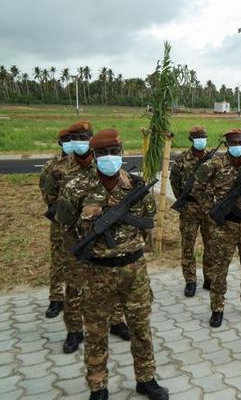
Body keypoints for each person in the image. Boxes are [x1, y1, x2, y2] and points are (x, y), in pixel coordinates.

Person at [56, 129, 168, 400]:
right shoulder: (75, 187)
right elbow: (66, 229)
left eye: (114, 153)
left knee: (140, 328)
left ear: (122, 153)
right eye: (104, 154)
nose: (110, 158)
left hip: (133, 271)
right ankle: (98, 386)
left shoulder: (136, 186)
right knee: (95, 333)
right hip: (96, 272)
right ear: (94, 156)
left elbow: (146, 226)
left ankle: (146, 379)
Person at [44, 122, 130, 354]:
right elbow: (50, 198)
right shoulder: (58, 168)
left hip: (104, 236)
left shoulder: (103, 165)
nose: (81, 141)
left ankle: (116, 321)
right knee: (74, 284)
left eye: (86, 137)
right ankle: (74, 331)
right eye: (77, 137)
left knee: (111, 280)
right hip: (71, 235)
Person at [192, 129, 241, 327]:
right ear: (228, 144)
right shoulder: (214, 165)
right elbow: (197, 188)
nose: (238, 145)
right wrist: (211, 211)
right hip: (224, 226)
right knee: (219, 270)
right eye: (234, 142)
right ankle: (217, 308)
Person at [170, 126, 214, 297]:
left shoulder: (212, 160)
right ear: (191, 140)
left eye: (204, 137)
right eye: (198, 137)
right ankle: (190, 281)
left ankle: (209, 278)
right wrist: (183, 199)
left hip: (209, 209)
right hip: (189, 209)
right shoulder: (181, 160)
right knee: (188, 246)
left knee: (211, 245)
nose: (202, 140)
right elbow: (174, 182)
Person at [39, 128, 71, 319]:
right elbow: (46, 193)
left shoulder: (87, 165)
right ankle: (56, 298)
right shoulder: (51, 166)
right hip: (59, 222)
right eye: (67, 140)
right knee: (58, 260)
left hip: (82, 224)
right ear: (60, 143)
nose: (72, 143)